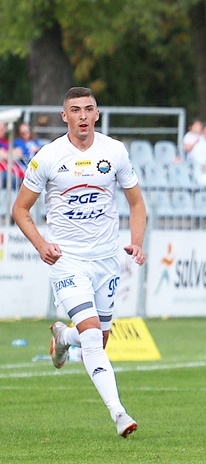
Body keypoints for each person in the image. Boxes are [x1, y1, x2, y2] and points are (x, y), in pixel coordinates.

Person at [11, 86, 147, 438]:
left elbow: (136, 203)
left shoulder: (114, 151)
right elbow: (20, 209)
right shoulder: (48, 156)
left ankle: (63, 338)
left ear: (97, 114)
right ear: (64, 116)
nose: (83, 116)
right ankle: (119, 414)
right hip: (68, 261)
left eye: (88, 109)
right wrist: (41, 244)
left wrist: (136, 242)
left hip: (106, 261)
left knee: (99, 341)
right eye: (75, 110)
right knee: (92, 338)